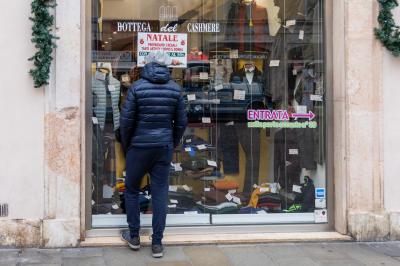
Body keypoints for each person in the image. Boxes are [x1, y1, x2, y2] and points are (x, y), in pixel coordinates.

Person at [119, 51, 187, 258]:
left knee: (131, 190)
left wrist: (127, 145)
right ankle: (157, 243)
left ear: (147, 65)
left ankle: (134, 236)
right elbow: (181, 123)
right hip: (163, 147)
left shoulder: (136, 88)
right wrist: (171, 142)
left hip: (138, 147)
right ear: (167, 67)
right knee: (160, 194)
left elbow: (126, 122)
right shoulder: (175, 89)